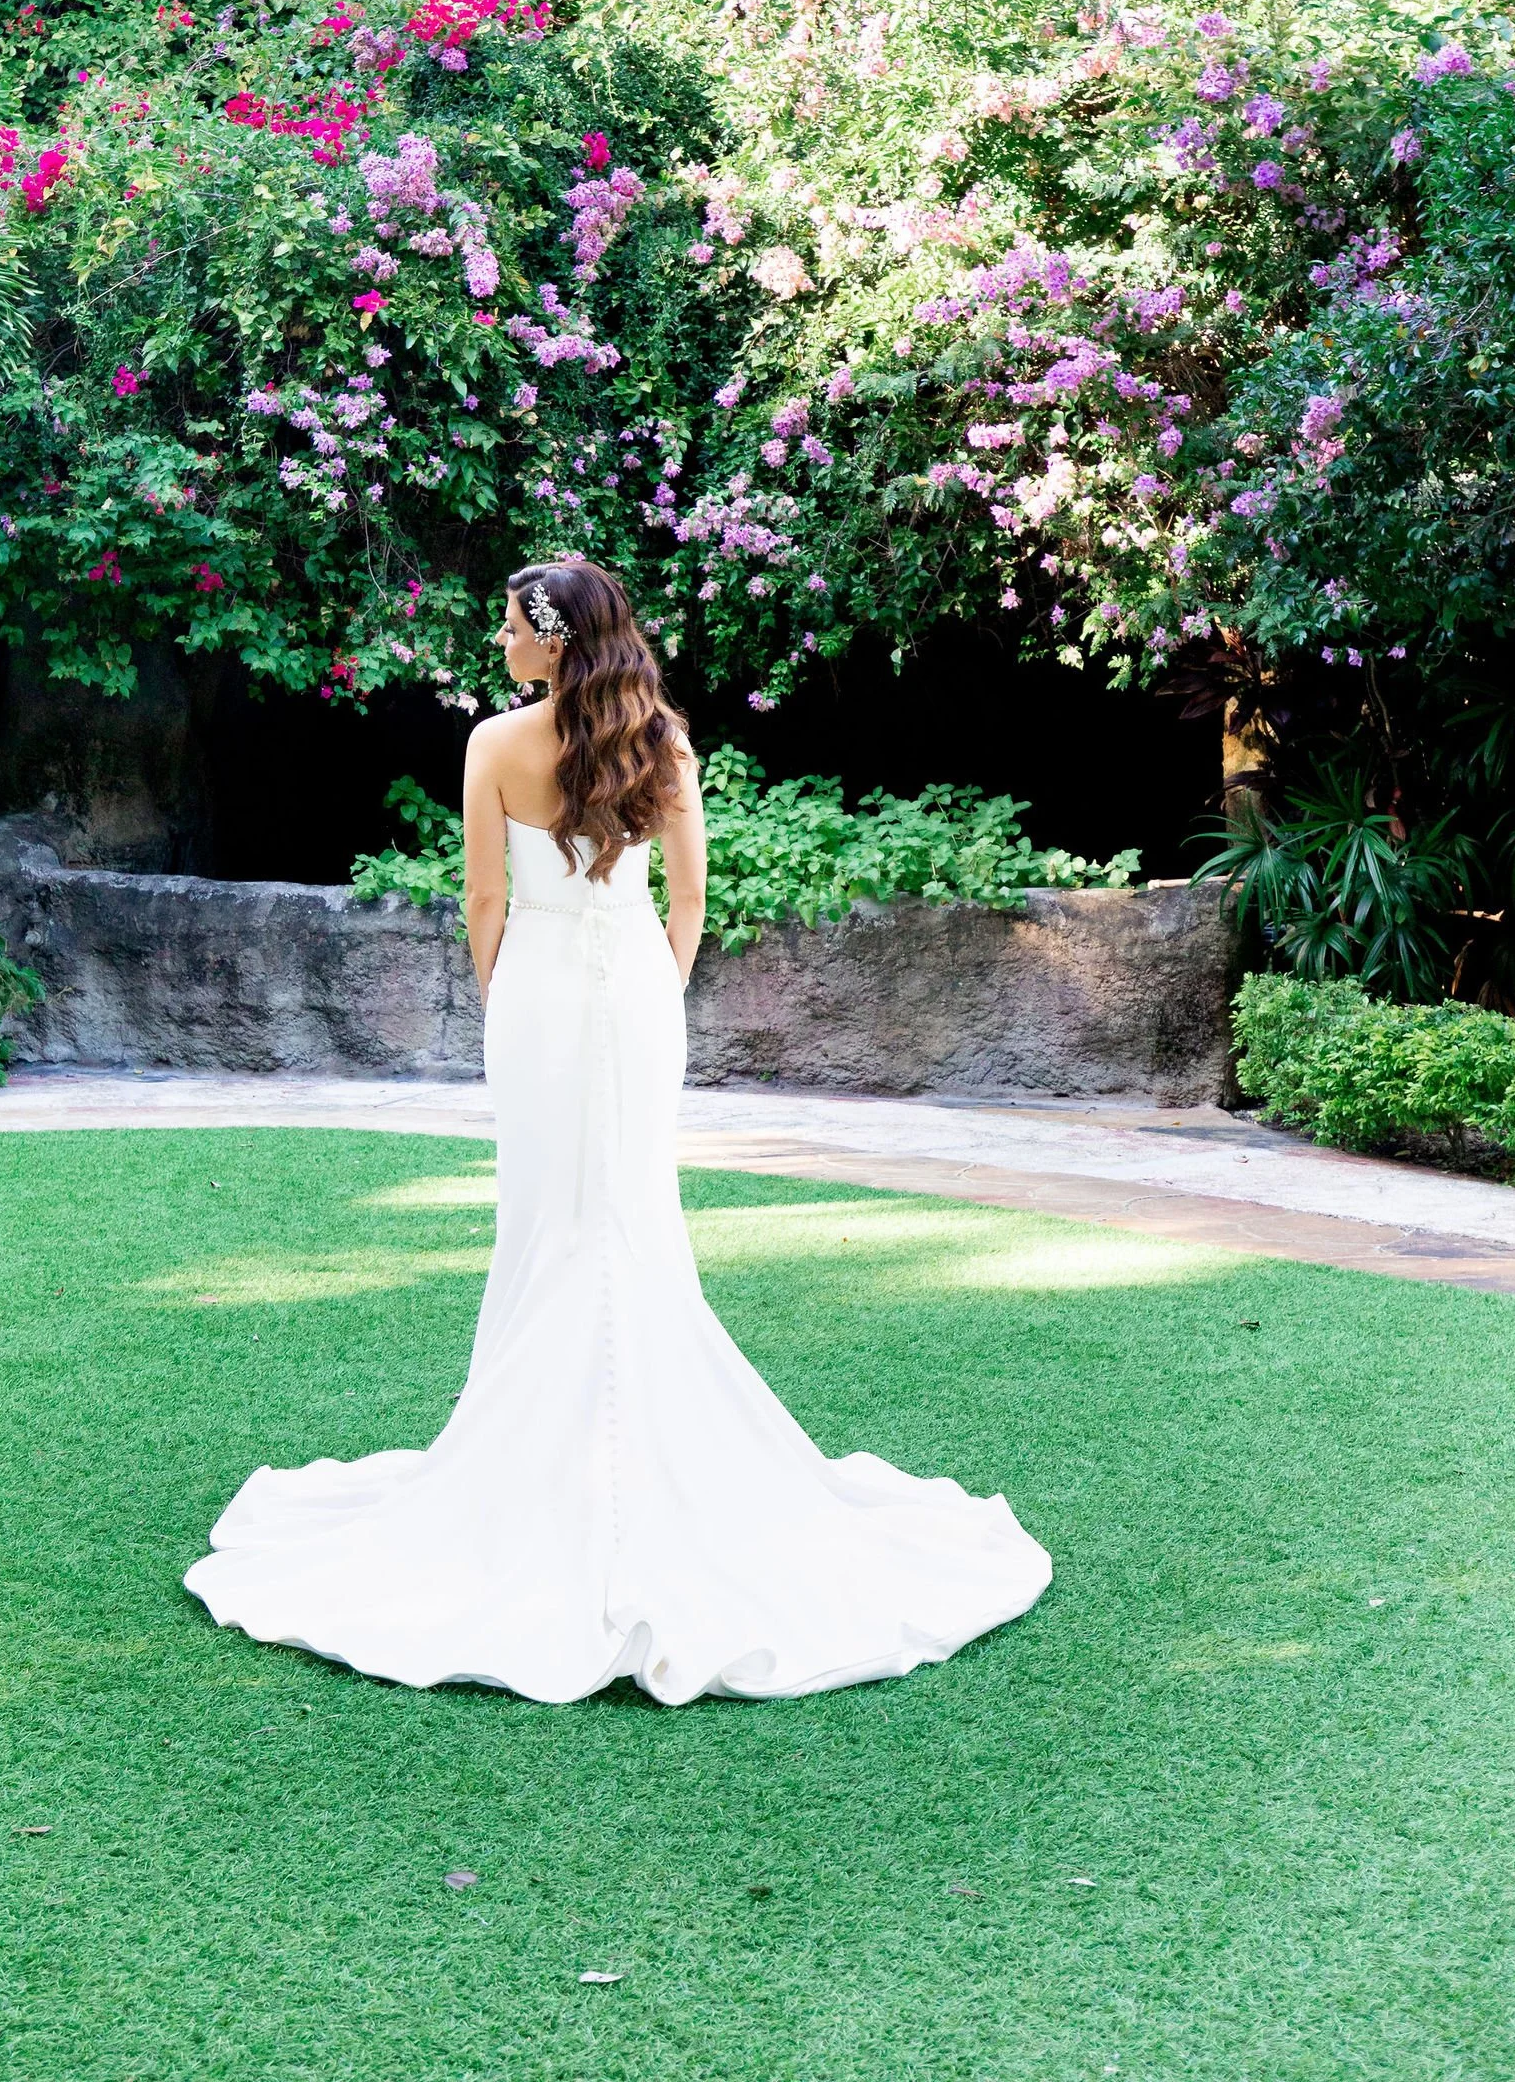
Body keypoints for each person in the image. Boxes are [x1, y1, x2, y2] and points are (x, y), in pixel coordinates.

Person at [185, 554, 1051, 1703]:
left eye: (507, 627)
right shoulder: (664, 742)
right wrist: (650, 984)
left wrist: (503, 998)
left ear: (550, 641)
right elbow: (685, 900)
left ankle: (534, 1479)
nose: (497, 645)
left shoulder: (494, 745)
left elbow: (483, 902)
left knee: (552, 1216)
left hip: (538, 998)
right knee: (628, 1217)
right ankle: (637, 1468)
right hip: (637, 997)